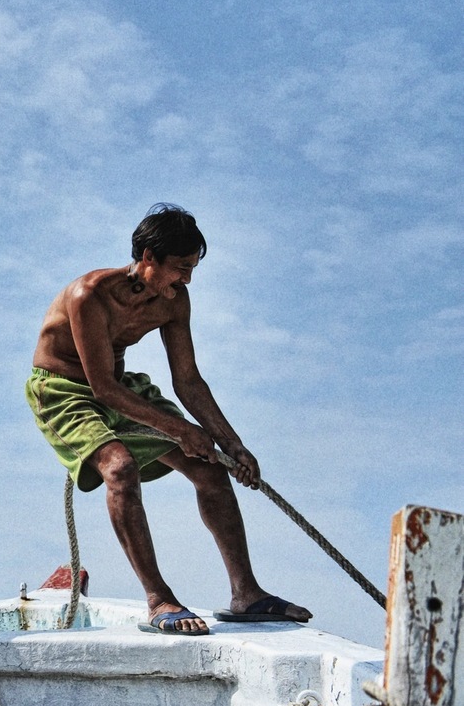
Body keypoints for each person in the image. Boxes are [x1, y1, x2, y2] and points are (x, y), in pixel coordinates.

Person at [25, 203, 311, 635]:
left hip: (122, 386)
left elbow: (189, 381)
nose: (187, 279)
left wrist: (232, 444)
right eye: (180, 267)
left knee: (211, 469)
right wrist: (179, 430)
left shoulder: (175, 301)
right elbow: (101, 388)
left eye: (193, 268)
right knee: (119, 468)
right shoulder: (90, 296)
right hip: (64, 391)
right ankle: (158, 599)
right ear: (147, 258)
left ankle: (246, 593)